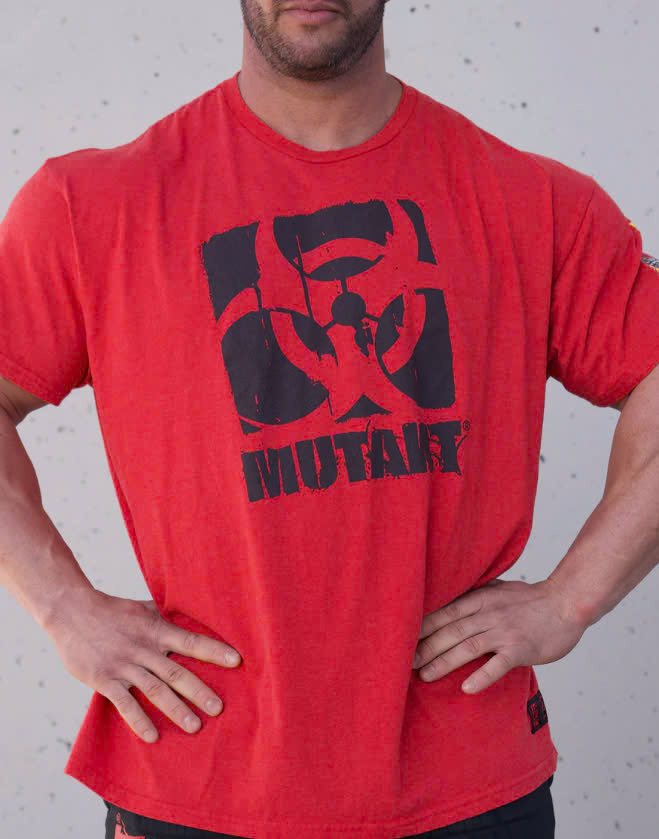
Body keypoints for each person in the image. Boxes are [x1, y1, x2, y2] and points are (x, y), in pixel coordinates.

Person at [1, 1, 658, 836]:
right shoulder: (92, 205)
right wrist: (63, 607)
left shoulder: (532, 200)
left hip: (466, 787)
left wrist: (570, 598)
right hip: (197, 773)